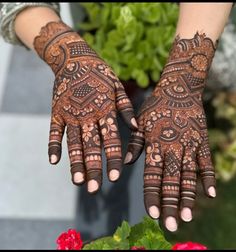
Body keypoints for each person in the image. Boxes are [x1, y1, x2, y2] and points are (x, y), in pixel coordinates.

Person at [0, 2, 233, 232]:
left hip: (195, 28)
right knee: (102, 144)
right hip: (99, 33)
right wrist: (67, 53)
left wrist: (185, 76)